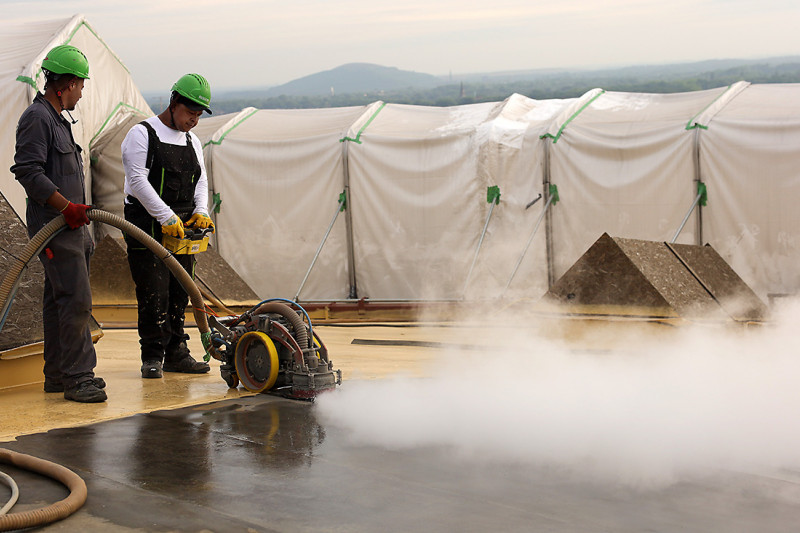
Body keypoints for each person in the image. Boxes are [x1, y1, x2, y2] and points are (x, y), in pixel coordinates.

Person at [10, 44, 107, 403]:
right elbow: (28, 172)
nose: (81, 93)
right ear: (64, 84)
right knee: (76, 300)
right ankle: (78, 377)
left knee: (58, 300)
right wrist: (66, 208)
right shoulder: (37, 118)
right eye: (80, 85)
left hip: (71, 228)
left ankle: (58, 375)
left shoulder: (57, 120)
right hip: (55, 226)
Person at [121, 73, 214, 379]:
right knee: (153, 291)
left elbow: (200, 179)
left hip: (182, 227)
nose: (194, 121)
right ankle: (152, 356)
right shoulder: (142, 134)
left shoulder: (192, 140)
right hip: (146, 224)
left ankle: (176, 352)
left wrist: (200, 210)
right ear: (174, 103)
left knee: (180, 291)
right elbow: (137, 180)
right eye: (190, 113)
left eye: (199, 115)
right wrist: (164, 216)